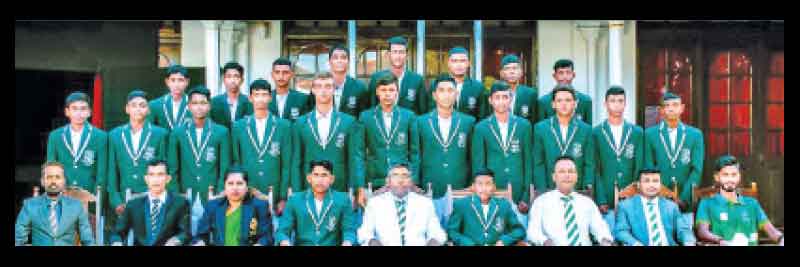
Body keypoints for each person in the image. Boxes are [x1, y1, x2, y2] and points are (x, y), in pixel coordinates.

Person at [292, 72, 365, 201]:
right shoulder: (301, 123)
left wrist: (357, 189)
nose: (323, 91)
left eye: (327, 86)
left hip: (340, 189)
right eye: (319, 86)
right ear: (313, 90)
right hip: (309, 190)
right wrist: (297, 193)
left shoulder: (348, 121)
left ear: (334, 89)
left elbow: (354, 159)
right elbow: (296, 161)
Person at [415, 74, 476, 228]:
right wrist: (416, 184)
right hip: (430, 189)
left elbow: (473, 157)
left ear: (456, 94)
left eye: (450, 90)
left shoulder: (468, 122)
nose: (446, 94)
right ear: (435, 95)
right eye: (441, 90)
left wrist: (473, 183)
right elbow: (416, 155)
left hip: (460, 190)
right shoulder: (421, 122)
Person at [231, 79, 294, 221]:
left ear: (270, 97)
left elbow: (286, 164)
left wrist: (283, 196)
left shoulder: (283, 125)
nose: (260, 98)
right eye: (256, 94)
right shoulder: (239, 126)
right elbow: (236, 160)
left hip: (274, 189)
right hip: (248, 189)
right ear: (250, 98)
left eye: (264, 94)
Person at [471, 81, 533, 227]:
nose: (501, 101)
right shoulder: (481, 127)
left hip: (519, 194)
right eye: (497, 97)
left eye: (505, 97)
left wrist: (526, 196)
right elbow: (479, 165)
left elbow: (528, 162)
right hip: (494, 191)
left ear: (511, 99)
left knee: (519, 234)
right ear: (490, 100)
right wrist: (484, 195)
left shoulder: (524, 125)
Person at [695, 155, 784, 246]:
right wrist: (721, 241)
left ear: (739, 177)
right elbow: (702, 232)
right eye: (725, 175)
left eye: (734, 175)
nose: (730, 179)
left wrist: (781, 239)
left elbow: (772, 231)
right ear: (717, 177)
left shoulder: (752, 203)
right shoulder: (706, 203)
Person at [643, 91, 703, 225]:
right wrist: (662, 194)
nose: (671, 108)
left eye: (675, 105)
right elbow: (649, 167)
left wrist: (683, 198)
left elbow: (696, 170)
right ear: (661, 110)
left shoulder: (695, 135)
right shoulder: (650, 134)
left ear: (682, 108)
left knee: (685, 235)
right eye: (667, 105)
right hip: (658, 200)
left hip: (685, 203)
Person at [108, 90, 170, 218]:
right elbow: (112, 173)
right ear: (127, 109)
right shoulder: (115, 135)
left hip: (151, 197)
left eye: (142, 105)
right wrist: (117, 202)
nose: (138, 109)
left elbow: (164, 170)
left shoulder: (159, 134)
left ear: (148, 110)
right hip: (124, 198)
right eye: (134, 105)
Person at [527, 156, 613, 246]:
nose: (567, 175)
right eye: (562, 172)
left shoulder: (587, 203)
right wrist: (545, 241)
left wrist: (605, 240)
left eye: (571, 172)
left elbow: (600, 228)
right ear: (554, 177)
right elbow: (532, 231)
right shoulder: (541, 202)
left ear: (576, 177)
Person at [591, 86, 644, 231]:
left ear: (625, 104)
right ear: (605, 104)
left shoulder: (637, 132)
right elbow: (595, 168)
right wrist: (601, 198)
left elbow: (639, 166)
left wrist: (634, 192)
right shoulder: (596, 132)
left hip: (631, 196)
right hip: (606, 197)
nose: (617, 104)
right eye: (612, 101)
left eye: (620, 101)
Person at [167, 85, 231, 204]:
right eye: (195, 103)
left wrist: (221, 191)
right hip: (185, 193)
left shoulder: (221, 132)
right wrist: (175, 194)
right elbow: (172, 168)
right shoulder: (178, 132)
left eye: (203, 103)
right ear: (189, 106)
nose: (199, 107)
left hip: (213, 193)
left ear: (209, 105)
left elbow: (225, 167)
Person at [358, 163, 447, 246]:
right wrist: (371, 241)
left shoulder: (425, 203)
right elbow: (364, 233)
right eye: (395, 176)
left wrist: (434, 241)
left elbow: (437, 232)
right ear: (388, 181)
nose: (400, 180)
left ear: (411, 182)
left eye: (405, 176)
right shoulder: (375, 203)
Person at [360, 73, 419, 192]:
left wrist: (413, 180)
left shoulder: (408, 116)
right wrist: (360, 185)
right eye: (383, 90)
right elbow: (359, 153)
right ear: (377, 91)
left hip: (401, 180)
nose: (387, 94)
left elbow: (415, 153)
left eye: (391, 90)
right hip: (375, 179)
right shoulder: (366, 117)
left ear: (397, 91)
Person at [277, 160, 357, 246]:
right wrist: (284, 242)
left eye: (324, 175)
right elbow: (282, 231)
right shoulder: (295, 200)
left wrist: (347, 242)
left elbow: (349, 230)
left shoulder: (343, 200)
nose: (320, 180)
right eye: (316, 175)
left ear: (332, 179)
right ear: (309, 178)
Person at [110, 160, 190, 246]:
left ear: (168, 178)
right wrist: (117, 243)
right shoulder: (133, 204)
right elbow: (117, 233)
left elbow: (185, 233)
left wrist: (175, 241)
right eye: (151, 175)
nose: (156, 179)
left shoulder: (180, 203)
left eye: (160, 174)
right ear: (146, 179)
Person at [15, 161, 95, 246]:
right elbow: (18, 239)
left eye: (58, 177)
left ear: (64, 181)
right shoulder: (30, 205)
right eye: (49, 177)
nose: (53, 181)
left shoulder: (76, 206)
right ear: (42, 181)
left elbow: (88, 241)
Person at [532, 84, 595, 192]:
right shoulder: (541, 128)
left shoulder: (586, 129)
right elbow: (538, 162)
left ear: (575, 104)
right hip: (549, 189)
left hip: (577, 190)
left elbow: (589, 163)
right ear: (553, 104)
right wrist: (542, 189)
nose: (564, 104)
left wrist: (586, 187)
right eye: (559, 100)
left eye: (568, 100)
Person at [192, 166, 273, 246]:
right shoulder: (213, 206)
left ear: (247, 187)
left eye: (239, 183)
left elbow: (267, 236)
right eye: (230, 184)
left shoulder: (260, 206)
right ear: (225, 186)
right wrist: (200, 242)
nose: (235, 188)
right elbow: (201, 235)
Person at [614, 168, 695, 246]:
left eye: (655, 181)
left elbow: (684, 229)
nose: (651, 185)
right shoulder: (626, 206)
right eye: (646, 181)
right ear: (638, 185)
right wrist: (635, 244)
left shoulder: (671, 206)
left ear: (660, 184)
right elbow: (621, 231)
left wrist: (689, 242)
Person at [46, 91, 108, 192]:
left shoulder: (100, 136)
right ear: (67, 112)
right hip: (63, 194)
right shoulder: (55, 136)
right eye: (74, 108)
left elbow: (102, 174)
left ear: (89, 112)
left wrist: (97, 200)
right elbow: (51, 168)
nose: (79, 113)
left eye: (83, 109)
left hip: (89, 195)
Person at [447, 168, 525, 246]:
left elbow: (519, 230)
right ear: (473, 187)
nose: (484, 188)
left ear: (494, 187)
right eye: (480, 184)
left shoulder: (504, 205)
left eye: (488, 184)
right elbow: (452, 232)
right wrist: (468, 243)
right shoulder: (461, 205)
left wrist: (504, 241)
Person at [366, 36, 426, 114]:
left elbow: (422, 112)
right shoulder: (376, 78)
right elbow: (371, 109)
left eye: (401, 52)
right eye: (395, 52)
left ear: (406, 55)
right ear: (389, 54)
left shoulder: (417, 80)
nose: (398, 56)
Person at [427, 46, 487, 119]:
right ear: (448, 63)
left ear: (468, 63)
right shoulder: (436, 85)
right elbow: (430, 112)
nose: (459, 65)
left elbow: (482, 117)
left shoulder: (478, 87)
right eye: (454, 61)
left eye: (462, 61)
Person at [482, 54, 538, 125]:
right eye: (507, 68)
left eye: (515, 68)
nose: (512, 72)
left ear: (521, 72)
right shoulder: (491, 93)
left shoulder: (530, 94)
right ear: (501, 73)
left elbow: (534, 122)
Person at [536, 59, 592, 124]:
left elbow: (589, 130)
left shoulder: (585, 101)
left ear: (573, 75)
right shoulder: (543, 102)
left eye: (568, 72)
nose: (564, 77)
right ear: (554, 76)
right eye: (561, 73)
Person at [327, 44, 370, 118]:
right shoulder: (320, 87)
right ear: (330, 61)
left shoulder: (360, 87)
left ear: (348, 61)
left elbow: (364, 118)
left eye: (343, 58)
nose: (339, 61)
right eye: (335, 58)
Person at [148, 64, 193, 131]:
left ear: (187, 82)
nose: (176, 84)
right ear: (167, 82)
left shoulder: (194, 104)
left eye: (180, 80)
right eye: (173, 80)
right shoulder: (155, 105)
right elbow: (150, 131)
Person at [210, 61, 253, 131]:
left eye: (236, 76)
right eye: (229, 76)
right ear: (224, 79)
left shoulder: (250, 102)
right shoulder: (214, 102)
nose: (232, 80)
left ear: (242, 80)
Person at [269, 57, 313, 122]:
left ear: (292, 74)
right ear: (272, 74)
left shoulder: (303, 99)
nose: (281, 76)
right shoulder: (265, 98)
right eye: (277, 72)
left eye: (285, 72)